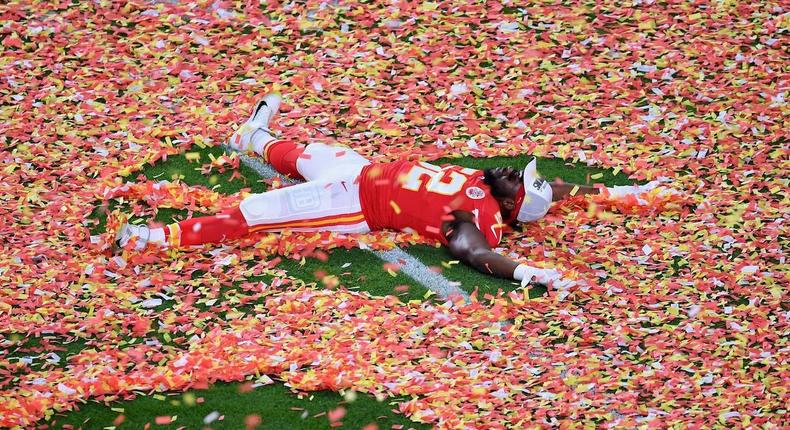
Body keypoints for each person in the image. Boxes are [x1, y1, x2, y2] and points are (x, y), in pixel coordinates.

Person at [117, 93, 669, 288]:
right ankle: (252, 134)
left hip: (352, 201)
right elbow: (562, 192)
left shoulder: (479, 215)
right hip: (361, 168)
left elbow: (471, 252)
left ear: (511, 203)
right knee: (300, 151)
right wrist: (629, 193)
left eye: (514, 180)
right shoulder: (488, 186)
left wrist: (527, 272)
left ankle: (156, 238)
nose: (506, 169)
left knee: (256, 213)